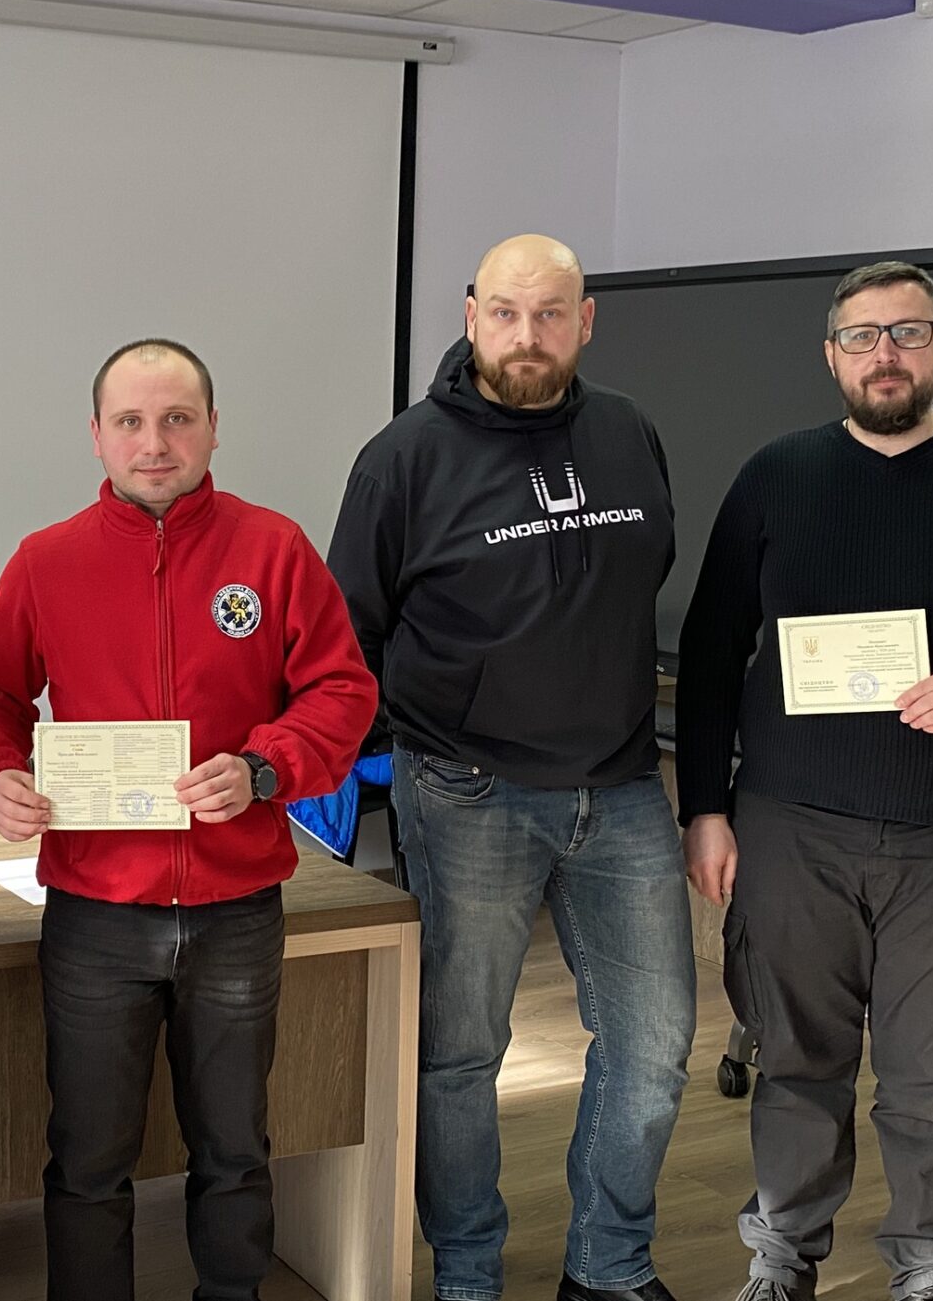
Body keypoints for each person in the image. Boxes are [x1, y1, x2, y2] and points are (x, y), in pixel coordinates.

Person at [676, 261, 933, 1301]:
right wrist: (705, 808)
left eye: (908, 331)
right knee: (793, 1060)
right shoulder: (776, 475)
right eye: (862, 336)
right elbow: (713, 649)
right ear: (831, 355)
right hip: (791, 830)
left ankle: (928, 1267)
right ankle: (781, 1256)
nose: (885, 353)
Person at [0, 337, 377, 1301]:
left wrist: (265, 768)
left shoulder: (273, 549)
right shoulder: (46, 561)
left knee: (234, 1148)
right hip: (95, 915)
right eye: (132, 421)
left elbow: (343, 689)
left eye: (177, 419)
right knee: (88, 1159)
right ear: (96, 435)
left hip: (236, 910)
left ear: (214, 429)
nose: (155, 442)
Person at [328, 234, 691, 1301]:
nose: (525, 337)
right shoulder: (403, 457)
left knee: (654, 1043)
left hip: (623, 787)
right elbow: (348, 631)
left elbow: (646, 574)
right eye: (504, 313)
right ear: (471, 314)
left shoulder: (629, 429)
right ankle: (468, 1269)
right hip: (468, 792)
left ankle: (609, 1266)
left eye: (549, 314)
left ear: (586, 321)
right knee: (460, 1053)